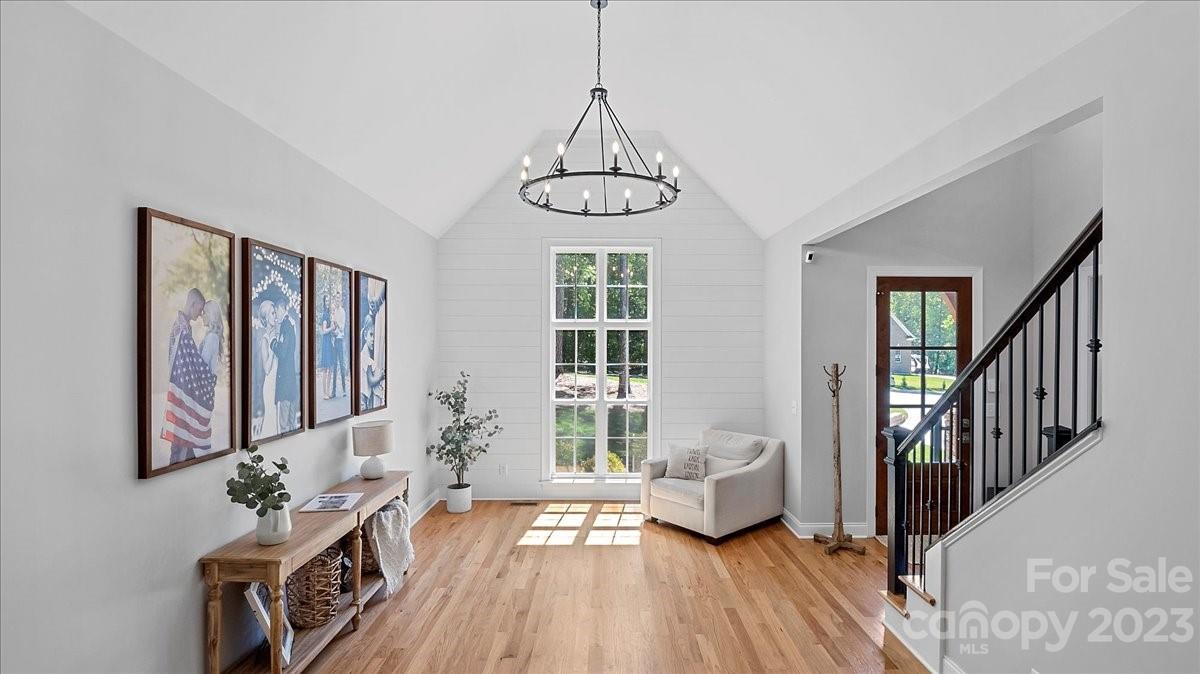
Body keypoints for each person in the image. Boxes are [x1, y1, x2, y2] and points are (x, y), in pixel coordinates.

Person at [161, 288, 215, 464]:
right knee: (179, 445)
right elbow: (183, 364)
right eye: (199, 310)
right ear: (192, 304)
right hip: (182, 395)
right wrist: (206, 378)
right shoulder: (181, 328)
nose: (200, 315)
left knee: (186, 443)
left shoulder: (185, 326)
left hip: (184, 395)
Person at [271, 302, 300, 434]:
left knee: (284, 425)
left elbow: (282, 352)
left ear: (280, 308)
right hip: (290, 379)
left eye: (275, 311)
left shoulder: (286, 326)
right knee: (291, 423)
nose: (275, 315)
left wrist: (273, 343)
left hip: (285, 380)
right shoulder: (290, 324)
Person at [198, 300, 224, 376]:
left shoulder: (212, 337)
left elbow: (202, 364)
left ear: (211, 315)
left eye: (204, 312)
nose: (201, 316)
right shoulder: (212, 336)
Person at [317, 295, 335, 399]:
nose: (328, 302)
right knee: (325, 369)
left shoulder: (329, 314)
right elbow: (324, 331)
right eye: (326, 300)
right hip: (326, 343)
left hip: (330, 342)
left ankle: (327, 392)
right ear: (324, 302)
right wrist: (331, 328)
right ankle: (324, 393)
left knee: (330, 368)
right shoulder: (325, 315)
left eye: (329, 300)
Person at [330, 292, 347, 398]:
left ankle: (344, 390)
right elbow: (332, 327)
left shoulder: (342, 312)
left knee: (342, 365)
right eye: (335, 299)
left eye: (338, 299)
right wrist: (333, 327)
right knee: (334, 366)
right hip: (334, 341)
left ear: (340, 300)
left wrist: (336, 324)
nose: (337, 301)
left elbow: (341, 328)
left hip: (340, 341)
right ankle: (334, 391)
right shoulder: (334, 312)